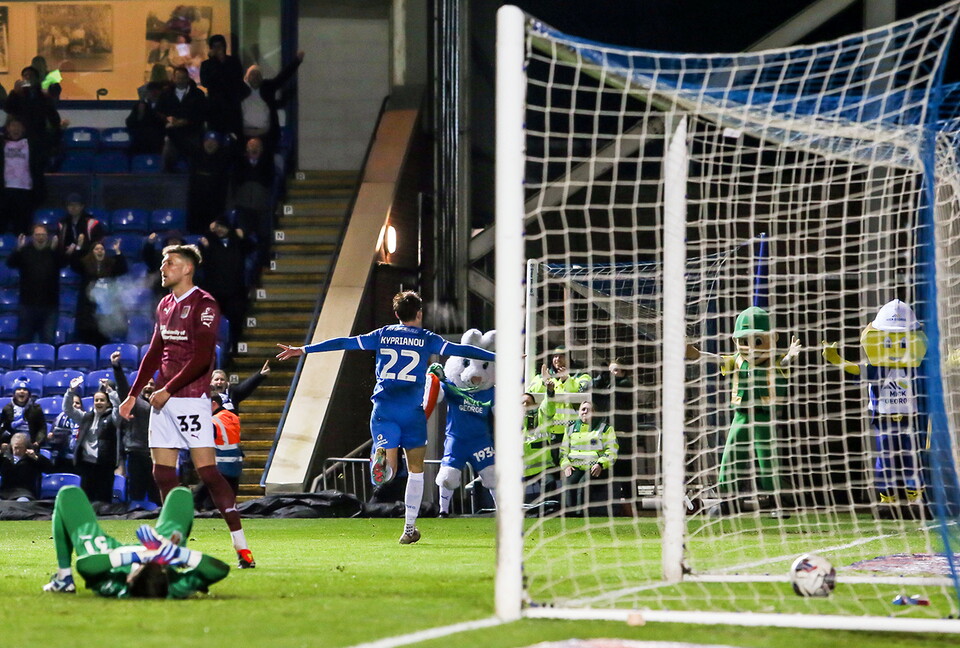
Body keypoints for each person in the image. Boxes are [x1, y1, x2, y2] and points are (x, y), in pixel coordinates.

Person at [276, 290, 496, 544]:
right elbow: (463, 348)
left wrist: (303, 349)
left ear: (396, 314)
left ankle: (381, 460)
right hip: (411, 412)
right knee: (416, 471)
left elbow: (343, 343)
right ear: (419, 313)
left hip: (384, 410)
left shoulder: (383, 334)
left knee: (388, 471)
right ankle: (409, 528)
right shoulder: (427, 339)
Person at [119, 244, 255, 568]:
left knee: (208, 472)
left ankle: (242, 546)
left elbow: (202, 358)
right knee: (162, 473)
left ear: (187, 269)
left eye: (171, 262)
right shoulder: (165, 304)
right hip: (163, 402)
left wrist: (167, 389)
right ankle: (172, 543)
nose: (163, 267)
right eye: (163, 262)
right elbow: (154, 353)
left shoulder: (204, 304)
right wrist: (132, 394)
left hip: (191, 400)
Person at [690, 306, 800, 513]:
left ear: (772, 338)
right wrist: (695, 353)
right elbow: (714, 358)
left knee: (766, 459)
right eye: (743, 342)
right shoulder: (737, 361)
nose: (750, 348)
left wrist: (791, 356)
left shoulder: (774, 363)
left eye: (757, 341)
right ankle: (729, 499)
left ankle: (779, 501)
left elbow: (784, 363)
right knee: (731, 455)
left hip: (763, 417)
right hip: (741, 416)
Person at [822, 299, 926, 515]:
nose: (896, 347)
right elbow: (858, 370)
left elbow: (934, 374)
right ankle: (886, 499)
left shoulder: (916, 367)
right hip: (884, 420)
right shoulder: (878, 368)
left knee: (911, 457)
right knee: (885, 458)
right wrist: (837, 360)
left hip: (910, 420)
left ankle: (914, 498)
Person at [42, 485, 230, 597]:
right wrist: (176, 553)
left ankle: (64, 578)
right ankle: (170, 549)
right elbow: (220, 569)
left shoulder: (116, 585)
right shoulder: (175, 586)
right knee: (181, 495)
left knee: (69, 494)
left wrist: (141, 555)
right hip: (162, 548)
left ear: (130, 579)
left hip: (110, 555)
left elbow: (86, 566)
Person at [110, 351, 160, 506]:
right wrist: (117, 368)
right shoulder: (136, 403)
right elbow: (124, 390)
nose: (149, 387)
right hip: (137, 453)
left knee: (156, 494)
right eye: (146, 383)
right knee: (136, 494)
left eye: (152, 384)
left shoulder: (162, 405)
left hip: (157, 454)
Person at [64, 376, 122, 503]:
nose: (99, 403)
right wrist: (71, 391)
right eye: (96, 400)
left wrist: (111, 392)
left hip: (105, 465)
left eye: (102, 400)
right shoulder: (86, 417)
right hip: (87, 465)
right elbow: (68, 409)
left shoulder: (113, 419)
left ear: (108, 403)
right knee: (86, 501)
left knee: (103, 501)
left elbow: (119, 408)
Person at [199, 219, 252, 353]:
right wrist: (204, 242)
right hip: (215, 292)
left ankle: (234, 350)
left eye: (222, 226)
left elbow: (252, 247)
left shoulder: (237, 242)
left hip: (235, 292)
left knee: (236, 321)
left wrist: (243, 236)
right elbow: (200, 259)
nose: (220, 229)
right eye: (217, 227)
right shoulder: (208, 243)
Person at [6, 224, 65, 343]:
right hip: (27, 304)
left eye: (43, 235)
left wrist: (56, 250)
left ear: (47, 236)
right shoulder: (25, 251)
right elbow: (10, 263)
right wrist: (18, 249)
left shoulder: (52, 252)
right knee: (24, 338)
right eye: (37, 234)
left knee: (48, 339)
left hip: (50, 304)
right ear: (32, 236)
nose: (40, 237)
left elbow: (63, 263)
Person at [559, 401, 619, 515]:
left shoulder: (605, 429)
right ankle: (570, 518)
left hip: (595, 468)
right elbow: (563, 451)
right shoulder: (570, 429)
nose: (585, 412)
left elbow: (612, 450)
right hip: (575, 467)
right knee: (569, 485)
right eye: (583, 409)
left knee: (583, 485)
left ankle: (581, 518)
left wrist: (601, 464)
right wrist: (566, 465)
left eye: (588, 409)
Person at [240, 51, 305, 150]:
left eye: (258, 75)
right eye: (252, 75)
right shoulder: (241, 90)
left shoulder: (267, 87)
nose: (255, 78)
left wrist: (296, 61)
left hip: (265, 134)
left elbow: (282, 77)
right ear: (247, 77)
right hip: (245, 134)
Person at [70, 239, 128, 346]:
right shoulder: (85, 263)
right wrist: (78, 247)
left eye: (102, 249)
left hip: (105, 309)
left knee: (103, 340)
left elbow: (123, 269)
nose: (99, 251)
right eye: (97, 249)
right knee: (87, 341)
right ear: (92, 251)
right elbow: (74, 264)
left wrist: (118, 251)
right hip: (88, 309)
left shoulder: (110, 264)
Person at [4, 66, 61, 170]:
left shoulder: (43, 98)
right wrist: (14, 92)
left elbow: (54, 119)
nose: (28, 78)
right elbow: (8, 108)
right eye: (25, 76)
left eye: (31, 76)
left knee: (37, 172)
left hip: (39, 141)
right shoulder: (19, 96)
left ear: (37, 78)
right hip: (21, 141)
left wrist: (52, 142)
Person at [231, 137, 274, 273]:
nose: (254, 149)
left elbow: (268, 180)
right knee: (242, 236)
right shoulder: (240, 162)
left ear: (261, 149)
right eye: (251, 146)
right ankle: (241, 265)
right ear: (246, 148)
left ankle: (264, 264)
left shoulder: (267, 162)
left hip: (262, 206)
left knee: (264, 236)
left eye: (257, 146)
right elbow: (237, 180)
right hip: (243, 206)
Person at [193, 392, 243, 509]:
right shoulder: (232, 416)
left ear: (213, 404)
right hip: (235, 464)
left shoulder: (212, 421)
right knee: (225, 503)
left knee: (198, 497)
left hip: (219, 464)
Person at [156, 66, 206, 172]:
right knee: (167, 164)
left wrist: (186, 121)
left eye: (183, 78)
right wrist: (167, 119)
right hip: (172, 134)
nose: (180, 81)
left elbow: (202, 114)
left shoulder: (198, 94)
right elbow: (158, 112)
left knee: (196, 166)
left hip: (192, 134)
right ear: (173, 78)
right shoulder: (165, 94)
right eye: (178, 78)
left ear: (188, 78)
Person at [1, 118, 44, 235]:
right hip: (4, 191)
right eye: (13, 126)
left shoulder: (31, 144)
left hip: (24, 191)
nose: (16, 129)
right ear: (8, 128)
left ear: (23, 129)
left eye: (19, 126)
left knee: (22, 229)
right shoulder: (2, 143)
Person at [522, 387, 562, 509]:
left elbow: (548, 405)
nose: (525, 405)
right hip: (521, 470)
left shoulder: (543, 417)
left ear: (535, 405)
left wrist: (550, 391)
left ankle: (550, 510)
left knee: (549, 482)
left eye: (528, 402)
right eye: (522, 403)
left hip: (543, 468)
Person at [199, 35, 244, 139]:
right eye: (214, 47)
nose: (217, 49)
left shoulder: (233, 61)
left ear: (224, 47)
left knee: (233, 137)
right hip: (215, 107)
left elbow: (236, 79)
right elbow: (205, 82)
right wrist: (214, 61)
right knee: (215, 137)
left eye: (220, 46)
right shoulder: (206, 64)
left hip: (231, 106)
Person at [187, 132, 232, 233]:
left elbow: (236, 150)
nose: (210, 144)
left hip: (215, 208)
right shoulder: (196, 156)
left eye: (213, 142)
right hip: (196, 208)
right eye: (208, 141)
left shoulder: (223, 159)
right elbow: (182, 144)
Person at [0, 431, 54, 500]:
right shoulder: (5, 458)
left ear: (26, 447)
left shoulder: (32, 459)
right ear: (11, 447)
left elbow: (50, 469)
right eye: (15, 448)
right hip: (5, 492)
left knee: (22, 501)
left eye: (20, 448)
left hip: (25, 493)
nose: (17, 451)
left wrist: (36, 458)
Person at [0, 377, 46, 446]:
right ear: (14, 394)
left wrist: (38, 441)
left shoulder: (36, 409)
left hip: (31, 443)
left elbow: (42, 428)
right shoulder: (7, 409)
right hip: (11, 444)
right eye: (18, 389)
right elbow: (3, 427)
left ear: (29, 394)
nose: (22, 391)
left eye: (25, 390)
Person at [126, 81, 167, 156]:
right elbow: (130, 123)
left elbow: (167, 123)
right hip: (141, 140)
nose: (154, 94)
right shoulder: (140, 106)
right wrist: (140, 115)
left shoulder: (165, 106)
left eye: (156, 91)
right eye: (151, 91)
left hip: (158, 140)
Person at [49, 390, 82, 471]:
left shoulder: (86, 419)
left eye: (77, 403)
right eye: (72, 403)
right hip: (62, 457)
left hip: (80, 459)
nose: (74, 405)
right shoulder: (59, 419)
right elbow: (52, 437)